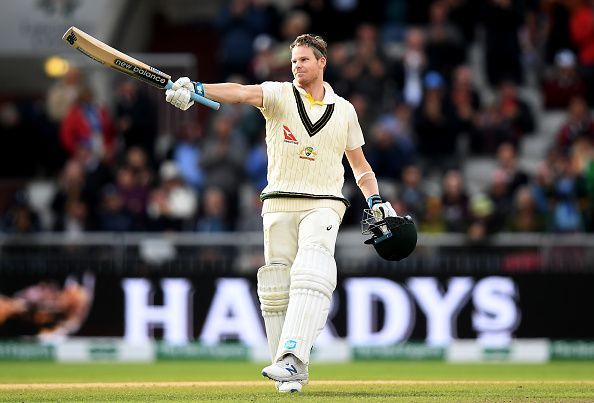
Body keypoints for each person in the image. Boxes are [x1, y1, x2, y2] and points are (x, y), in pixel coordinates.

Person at [165, 33, 398, 393]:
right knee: (276, 286)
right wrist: (197, 88)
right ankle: (288, 375)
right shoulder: (278, 94)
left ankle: (292, 357)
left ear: (322, 62)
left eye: (304, 59)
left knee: (313, 267)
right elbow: (241, 93)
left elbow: (360, 167)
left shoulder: (345, 110)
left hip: (324, 201)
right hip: (277, 203)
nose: (296, 66)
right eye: (293, 61)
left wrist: (376, 199)